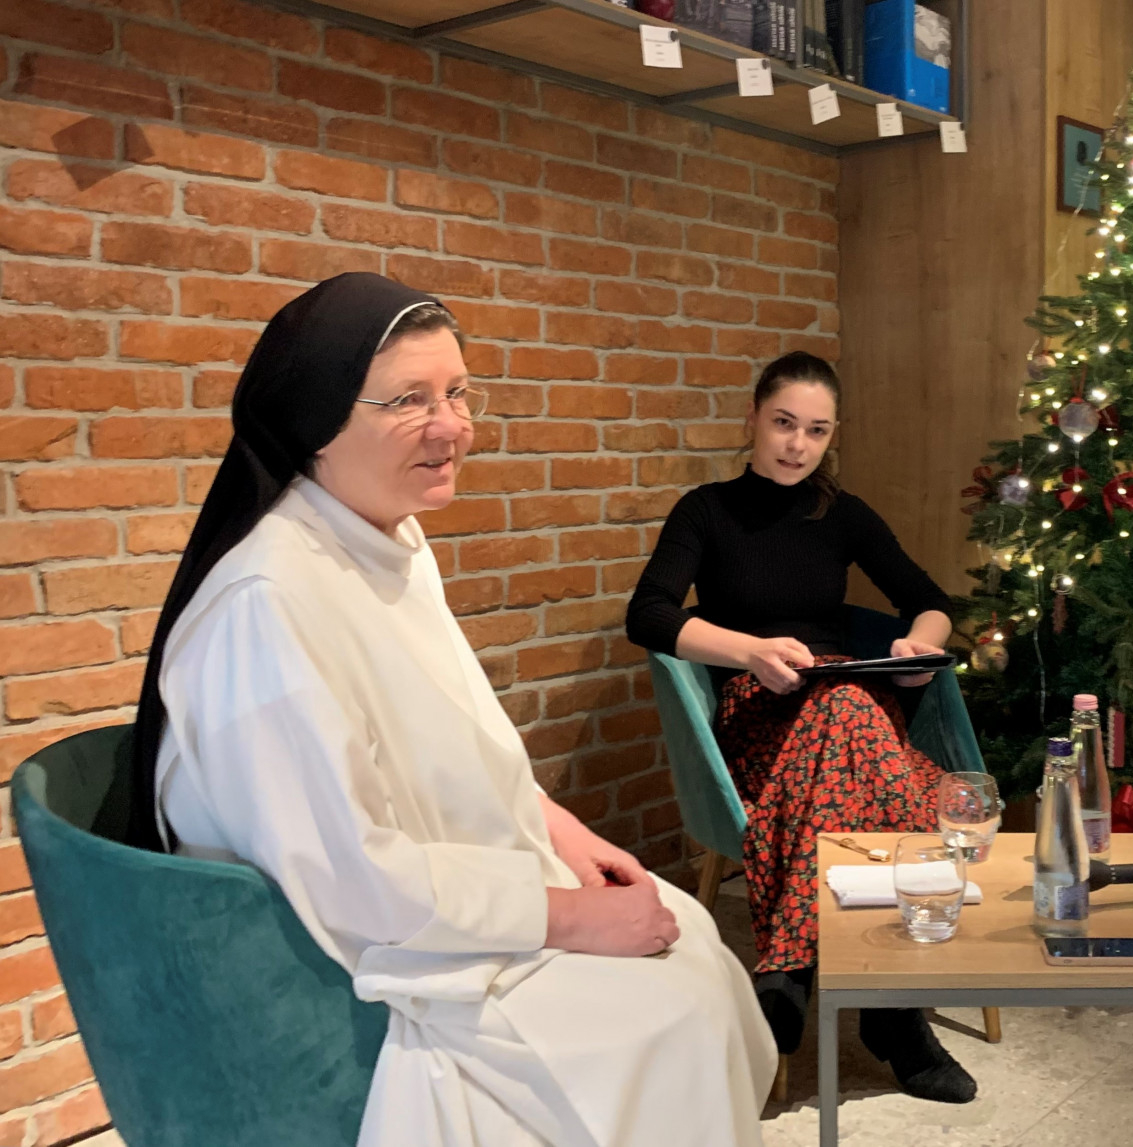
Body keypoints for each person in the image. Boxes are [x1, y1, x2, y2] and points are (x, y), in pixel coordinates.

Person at [129, 273, 776, 1147]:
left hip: (431, 895)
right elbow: (346, 880)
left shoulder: (386, 533)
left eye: (459, 392)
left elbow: (457, 736)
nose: (453, 427)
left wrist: (558, 828)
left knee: (691, 940)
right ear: (313, 421)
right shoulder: (266, 603)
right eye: (409, 400)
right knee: (669, 1015)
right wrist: (569, 916)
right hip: (346, 964)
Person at [625, 351, 976, 1104]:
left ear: (832, 435)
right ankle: (895, 1018)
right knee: (876, 755)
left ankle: (789, 970)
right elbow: (647, 613)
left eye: (816, 430)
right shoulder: (705, 510)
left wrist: (917, 647)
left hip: (847, 711)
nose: (797, 444)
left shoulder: (843, 514)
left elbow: (931, 600)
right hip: (760, 716)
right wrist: (748, 651)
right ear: (753, 418)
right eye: (784, 423)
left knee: (846, 705)